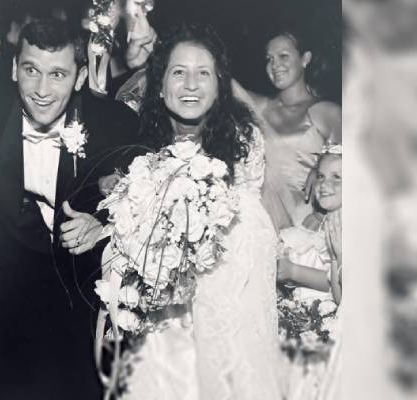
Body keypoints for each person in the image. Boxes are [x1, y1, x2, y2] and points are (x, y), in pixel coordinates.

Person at [0, 0, 142, 398]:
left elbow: (147, 202)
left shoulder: (114, 124)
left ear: (80, 78)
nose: (42, 91)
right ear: (14, 69)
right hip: (5, 290)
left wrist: (103, 226)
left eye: (58, 75)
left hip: (81, 296)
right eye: (31, 71)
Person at [109, 22, 283, 400]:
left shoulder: (242, 142)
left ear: (219, 85)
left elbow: (251, 235)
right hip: (161, 314)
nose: (191, 84)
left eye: (203, 73)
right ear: (159, 85)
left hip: (228, 300)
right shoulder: (137, 142)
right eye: (178, 72)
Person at [233, 27, 342, 232]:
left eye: (283, 56)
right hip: (264, 225)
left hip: (309, 223)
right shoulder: (260, 108)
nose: (275, 64)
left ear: (305, 59)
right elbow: (223, 82)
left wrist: (320, 168)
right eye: (269, 59)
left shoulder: (325, 111)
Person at [276, 147, 342, 400]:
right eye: (321, 176)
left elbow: (335, 288)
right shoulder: (314, 221)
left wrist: (293, 271)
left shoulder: (347, 227)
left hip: (326, 323)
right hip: (297, 318)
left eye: (337, 177)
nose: (325, 184)